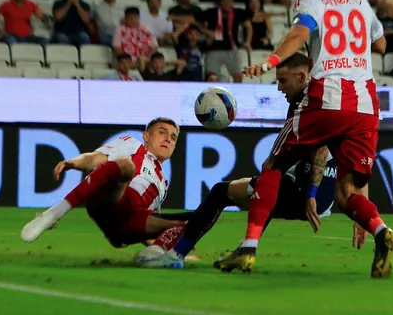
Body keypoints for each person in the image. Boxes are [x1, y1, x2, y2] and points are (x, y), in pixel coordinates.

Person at [213, 0, 393, 278]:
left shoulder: (311, 1)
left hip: (327, 98)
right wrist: (349, 49)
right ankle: (383, 233)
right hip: (366, 107)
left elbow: (299, 35)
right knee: (346, 193)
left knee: (273, 166)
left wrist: (270, 61)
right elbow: (382, 45)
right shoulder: (359, 1)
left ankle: (249, 248)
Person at [136, 53, 341, 268]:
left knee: (224, 192)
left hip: (303, 192)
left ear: (301, 77)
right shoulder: (324, 98)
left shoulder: (305, 105)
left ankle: (175, 255)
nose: (279, 87)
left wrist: (311, 194)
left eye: (283, 81)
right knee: (265, 193)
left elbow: (321, 148)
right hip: (324, 195)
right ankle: (244, 248)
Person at [20, 118, 185, 248]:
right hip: (108, 201)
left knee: (186, 223)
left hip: (122, 229)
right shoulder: (133, 145)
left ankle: (168, 254)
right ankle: (53, 214)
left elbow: (146, 222)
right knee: (126, 166)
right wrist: (74, 162)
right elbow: (93, 158)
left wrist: (162, 247)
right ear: (146, 136)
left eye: (173, 137)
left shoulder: (164, 183)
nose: (168, 139)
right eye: (162, 132)